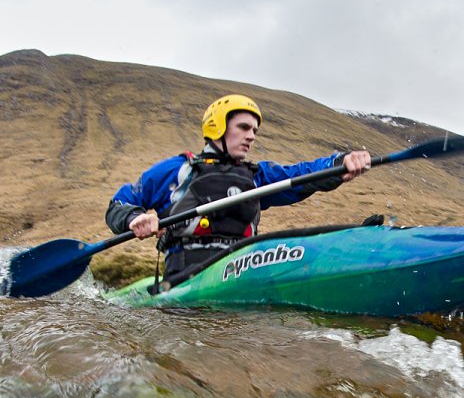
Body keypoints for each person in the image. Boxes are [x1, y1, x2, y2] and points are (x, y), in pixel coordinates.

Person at [106, 94, 371, 284]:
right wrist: (135, 218)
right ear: (218, 127)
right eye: (243, 127)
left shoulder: (256, 176)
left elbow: (302, 175)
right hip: (185, 278)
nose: (251, 136)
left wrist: (338, 163)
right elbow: (120, 202)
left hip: (244, 271)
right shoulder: (176, 171)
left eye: (254, 130)